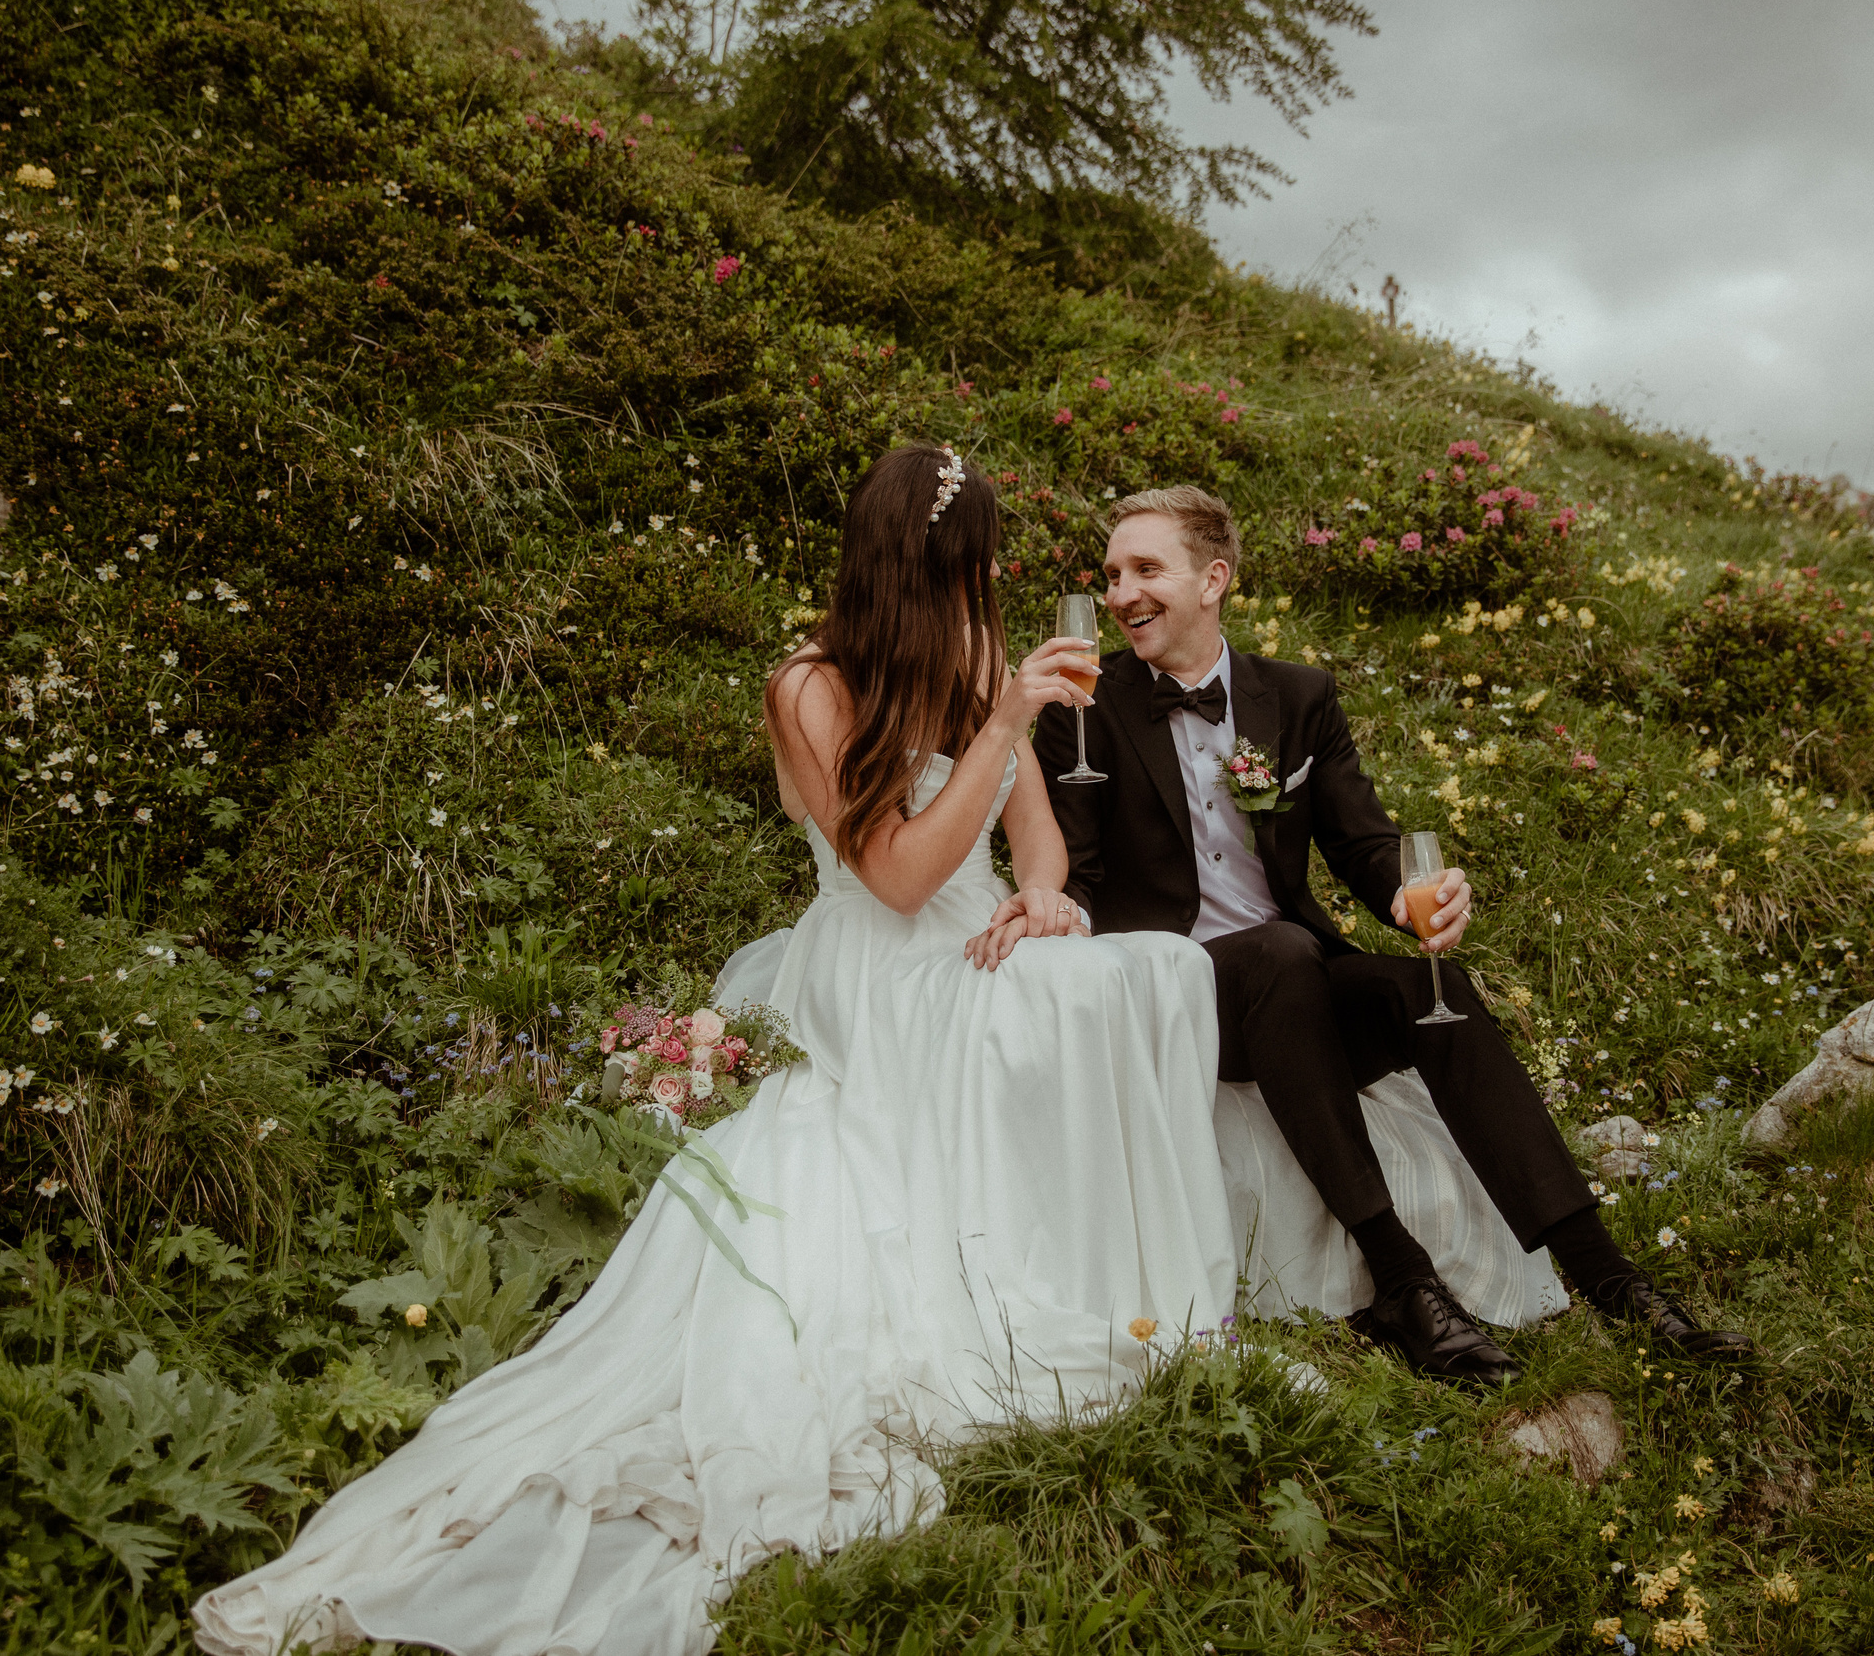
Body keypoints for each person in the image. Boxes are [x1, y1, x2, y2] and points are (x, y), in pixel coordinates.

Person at [193, 447, 1240, 1656]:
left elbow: (1034, 838)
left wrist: (1042, 900)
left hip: (977, 939)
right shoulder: (809, 685)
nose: (992, 578)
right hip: (878, 964)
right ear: (924, 561)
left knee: (1152, 969)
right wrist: (1005, 724)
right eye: (976, 557)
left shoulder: (976, 663)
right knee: (1067, 1008)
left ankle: (1121, 1266)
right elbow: (896, 878)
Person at [1034, 485, 1753, 1387]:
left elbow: (1365, 844)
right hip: (1176, 995)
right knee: (1281, 953)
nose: (1122, 594)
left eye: (1146, 570)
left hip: (1293, 982)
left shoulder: (1296, 696)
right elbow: (1082, 875)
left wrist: (1417, 895)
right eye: (1111, 575)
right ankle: (1404, 1283)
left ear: (1214, 578)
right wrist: (1057, 913)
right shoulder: (1081, 706)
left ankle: (1613, 1279)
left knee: (1427, 989)